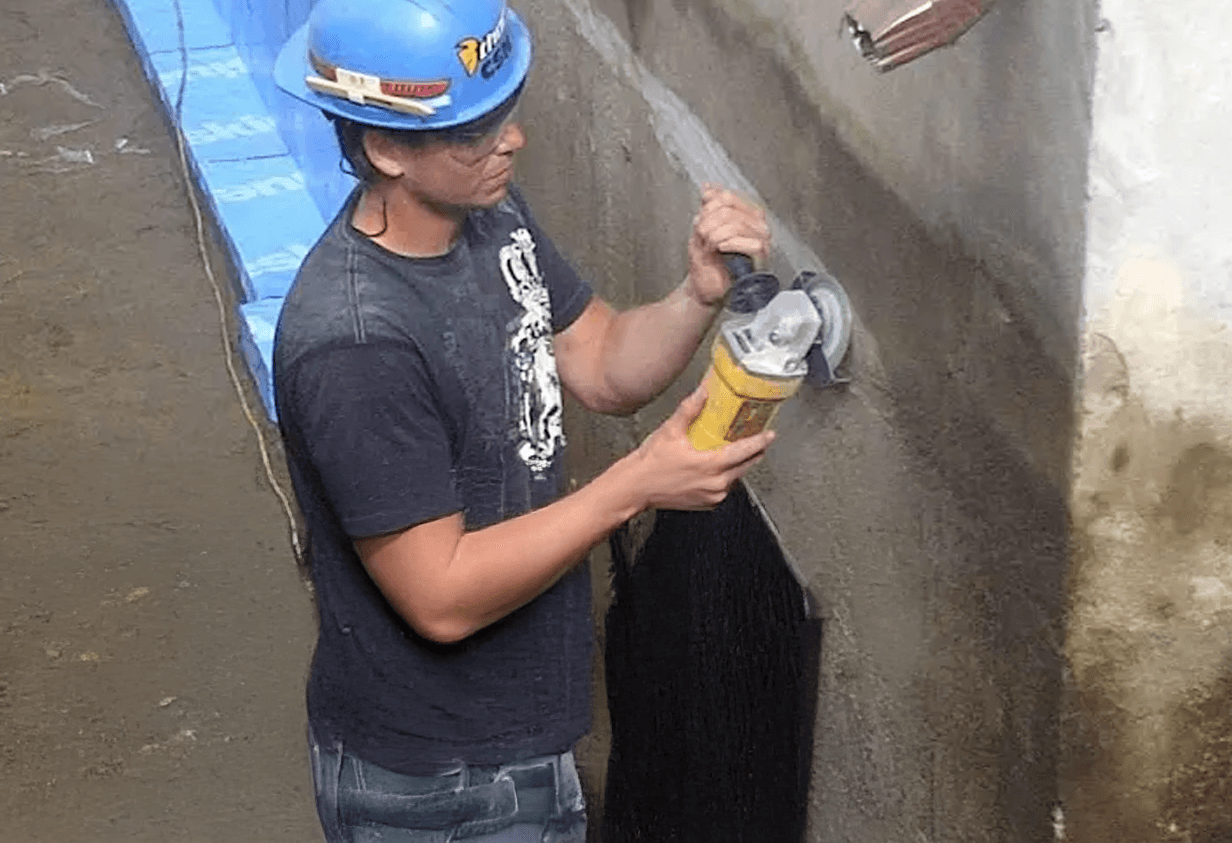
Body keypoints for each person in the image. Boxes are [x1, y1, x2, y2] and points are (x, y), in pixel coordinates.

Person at [271, 0, 774, 840]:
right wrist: (637, 484)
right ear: (387, 148)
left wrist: (697, 298)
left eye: (506, 112)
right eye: (474, 131)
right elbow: (442, 595)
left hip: (521, 735)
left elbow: (605, 363)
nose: (511, 141)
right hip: (437, 783)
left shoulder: (486, 214)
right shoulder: (355, 343)